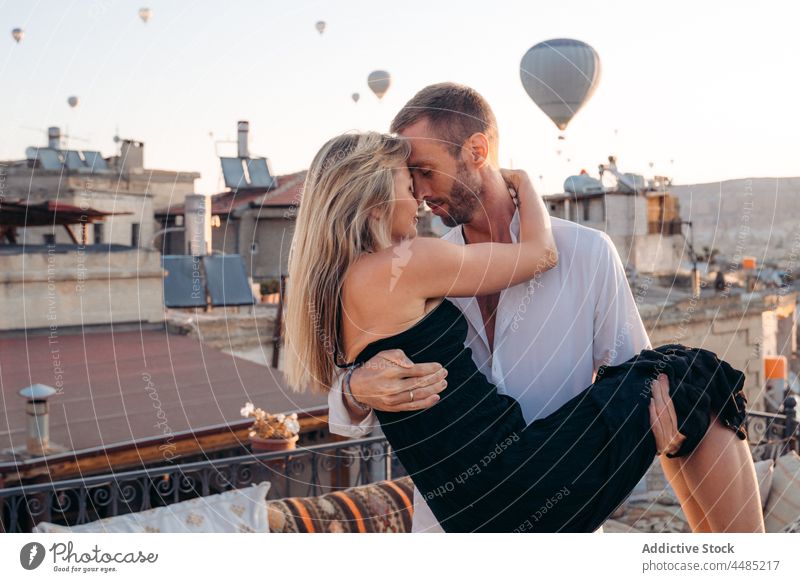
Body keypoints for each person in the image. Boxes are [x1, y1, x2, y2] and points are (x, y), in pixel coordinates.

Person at [284, 127, 764, 532]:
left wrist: (673, 435)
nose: (420, 197)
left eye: (424, 174)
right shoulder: (416, 262)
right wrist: (525, 183)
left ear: (477, 150)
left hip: (474, 510)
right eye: (408, 182)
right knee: (696, 375)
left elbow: (626, 360)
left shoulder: (340, 287)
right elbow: (541, 255)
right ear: (375, 196)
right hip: (521, 481)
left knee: (682, 385)